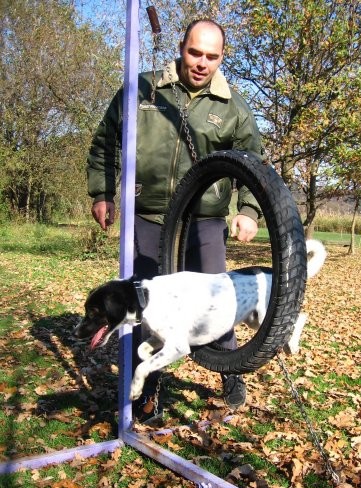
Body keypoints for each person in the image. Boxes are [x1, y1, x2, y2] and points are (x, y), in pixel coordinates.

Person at [87, 18, 264, 418]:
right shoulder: (143, 90)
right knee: (144, 311)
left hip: (203, 219)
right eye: (194, 52)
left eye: (211, 56)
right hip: (149, 216)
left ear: (222, 57)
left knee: (219, 302)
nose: (202, 63)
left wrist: (249, 210)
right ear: (181, 48)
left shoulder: (233, 106)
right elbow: (104, 141)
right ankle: (148, 390)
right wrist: (102, 193)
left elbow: (252, 161)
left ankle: (229, 371)